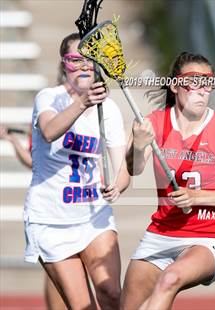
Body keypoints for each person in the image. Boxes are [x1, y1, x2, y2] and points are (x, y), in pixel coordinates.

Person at [121, 52, 215, 310]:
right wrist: (138, 145)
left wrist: (197, 197)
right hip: (163, 231)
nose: (202, 89)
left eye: (208, 82)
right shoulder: (155, 123)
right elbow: (134, 169)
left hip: (211, 236)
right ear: (175, 85)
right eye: (194, 80)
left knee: (170, 279)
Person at [23, 32, 130, 309]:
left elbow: (122, 171)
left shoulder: (109, 109)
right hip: (50, 220)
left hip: (94, 218)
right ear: (63, 64)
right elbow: (48, 131)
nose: (83, 66)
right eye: (75, 60)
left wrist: (117, 185)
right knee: (82, 306)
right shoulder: (48, 98)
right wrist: (83, 102)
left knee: (111, 293)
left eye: (89, 60)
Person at [0, 124, 66, 309]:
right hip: (55, 206)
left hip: (68, 207)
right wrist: (13, 139)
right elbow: (33, 161)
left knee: (60, 268)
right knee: (56, 267)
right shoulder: (43, 118)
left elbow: (32, 162)